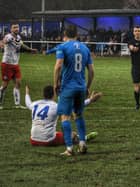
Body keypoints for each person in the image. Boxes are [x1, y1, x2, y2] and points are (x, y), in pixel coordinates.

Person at [54, 25, 94, 156]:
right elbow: (92, 71)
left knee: (65, 117)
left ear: (65, 34)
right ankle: (82, 143)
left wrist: (56, 84)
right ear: (77, 35)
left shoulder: (63, 47)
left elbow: (58, 66)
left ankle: (69, 148)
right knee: (78, 115)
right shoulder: (85, 48)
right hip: (81, 87)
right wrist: (87, 86)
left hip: (67, 87)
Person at [25, 85, 102, 146]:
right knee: (72, 134)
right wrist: (90, 100)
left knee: (57, 132)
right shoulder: (55, 106)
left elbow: (28, 103)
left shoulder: (35, 104)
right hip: (48, 140)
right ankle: (84, 138)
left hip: (33, 140)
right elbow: (74, 106)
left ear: (43, 94)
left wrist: (27, 93)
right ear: (53, 94)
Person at [0, 23, 37, 109]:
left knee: (18, 83)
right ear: (11, 29)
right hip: (7, 64)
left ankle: (17, 104)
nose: (16, 29)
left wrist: (30, 50)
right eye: (14, 27)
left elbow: (21, 45)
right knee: (5, 85)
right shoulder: (9, 36)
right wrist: (2, 43)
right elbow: (4, 41)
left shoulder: (18, 37)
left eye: (17, 27)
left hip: (15, 64)